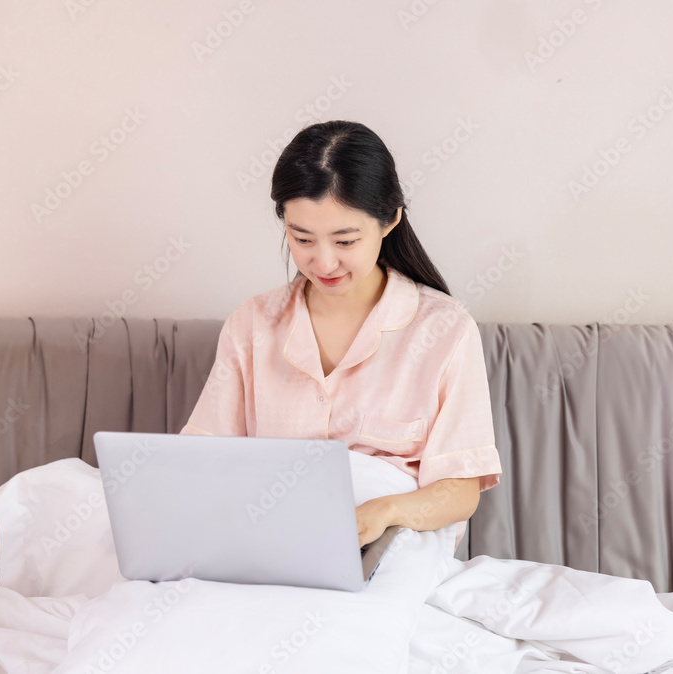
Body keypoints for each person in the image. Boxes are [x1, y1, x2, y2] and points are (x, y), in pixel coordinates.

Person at [179, 120, 502, 551]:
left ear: (390, 220)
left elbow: (460, 490)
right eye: (302, 239)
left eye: (345, 241)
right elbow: (201, 460)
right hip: (269, 540)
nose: (324, 262)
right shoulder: (253, 323)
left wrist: (385, 512)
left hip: (391, 545)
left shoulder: (445, 329)